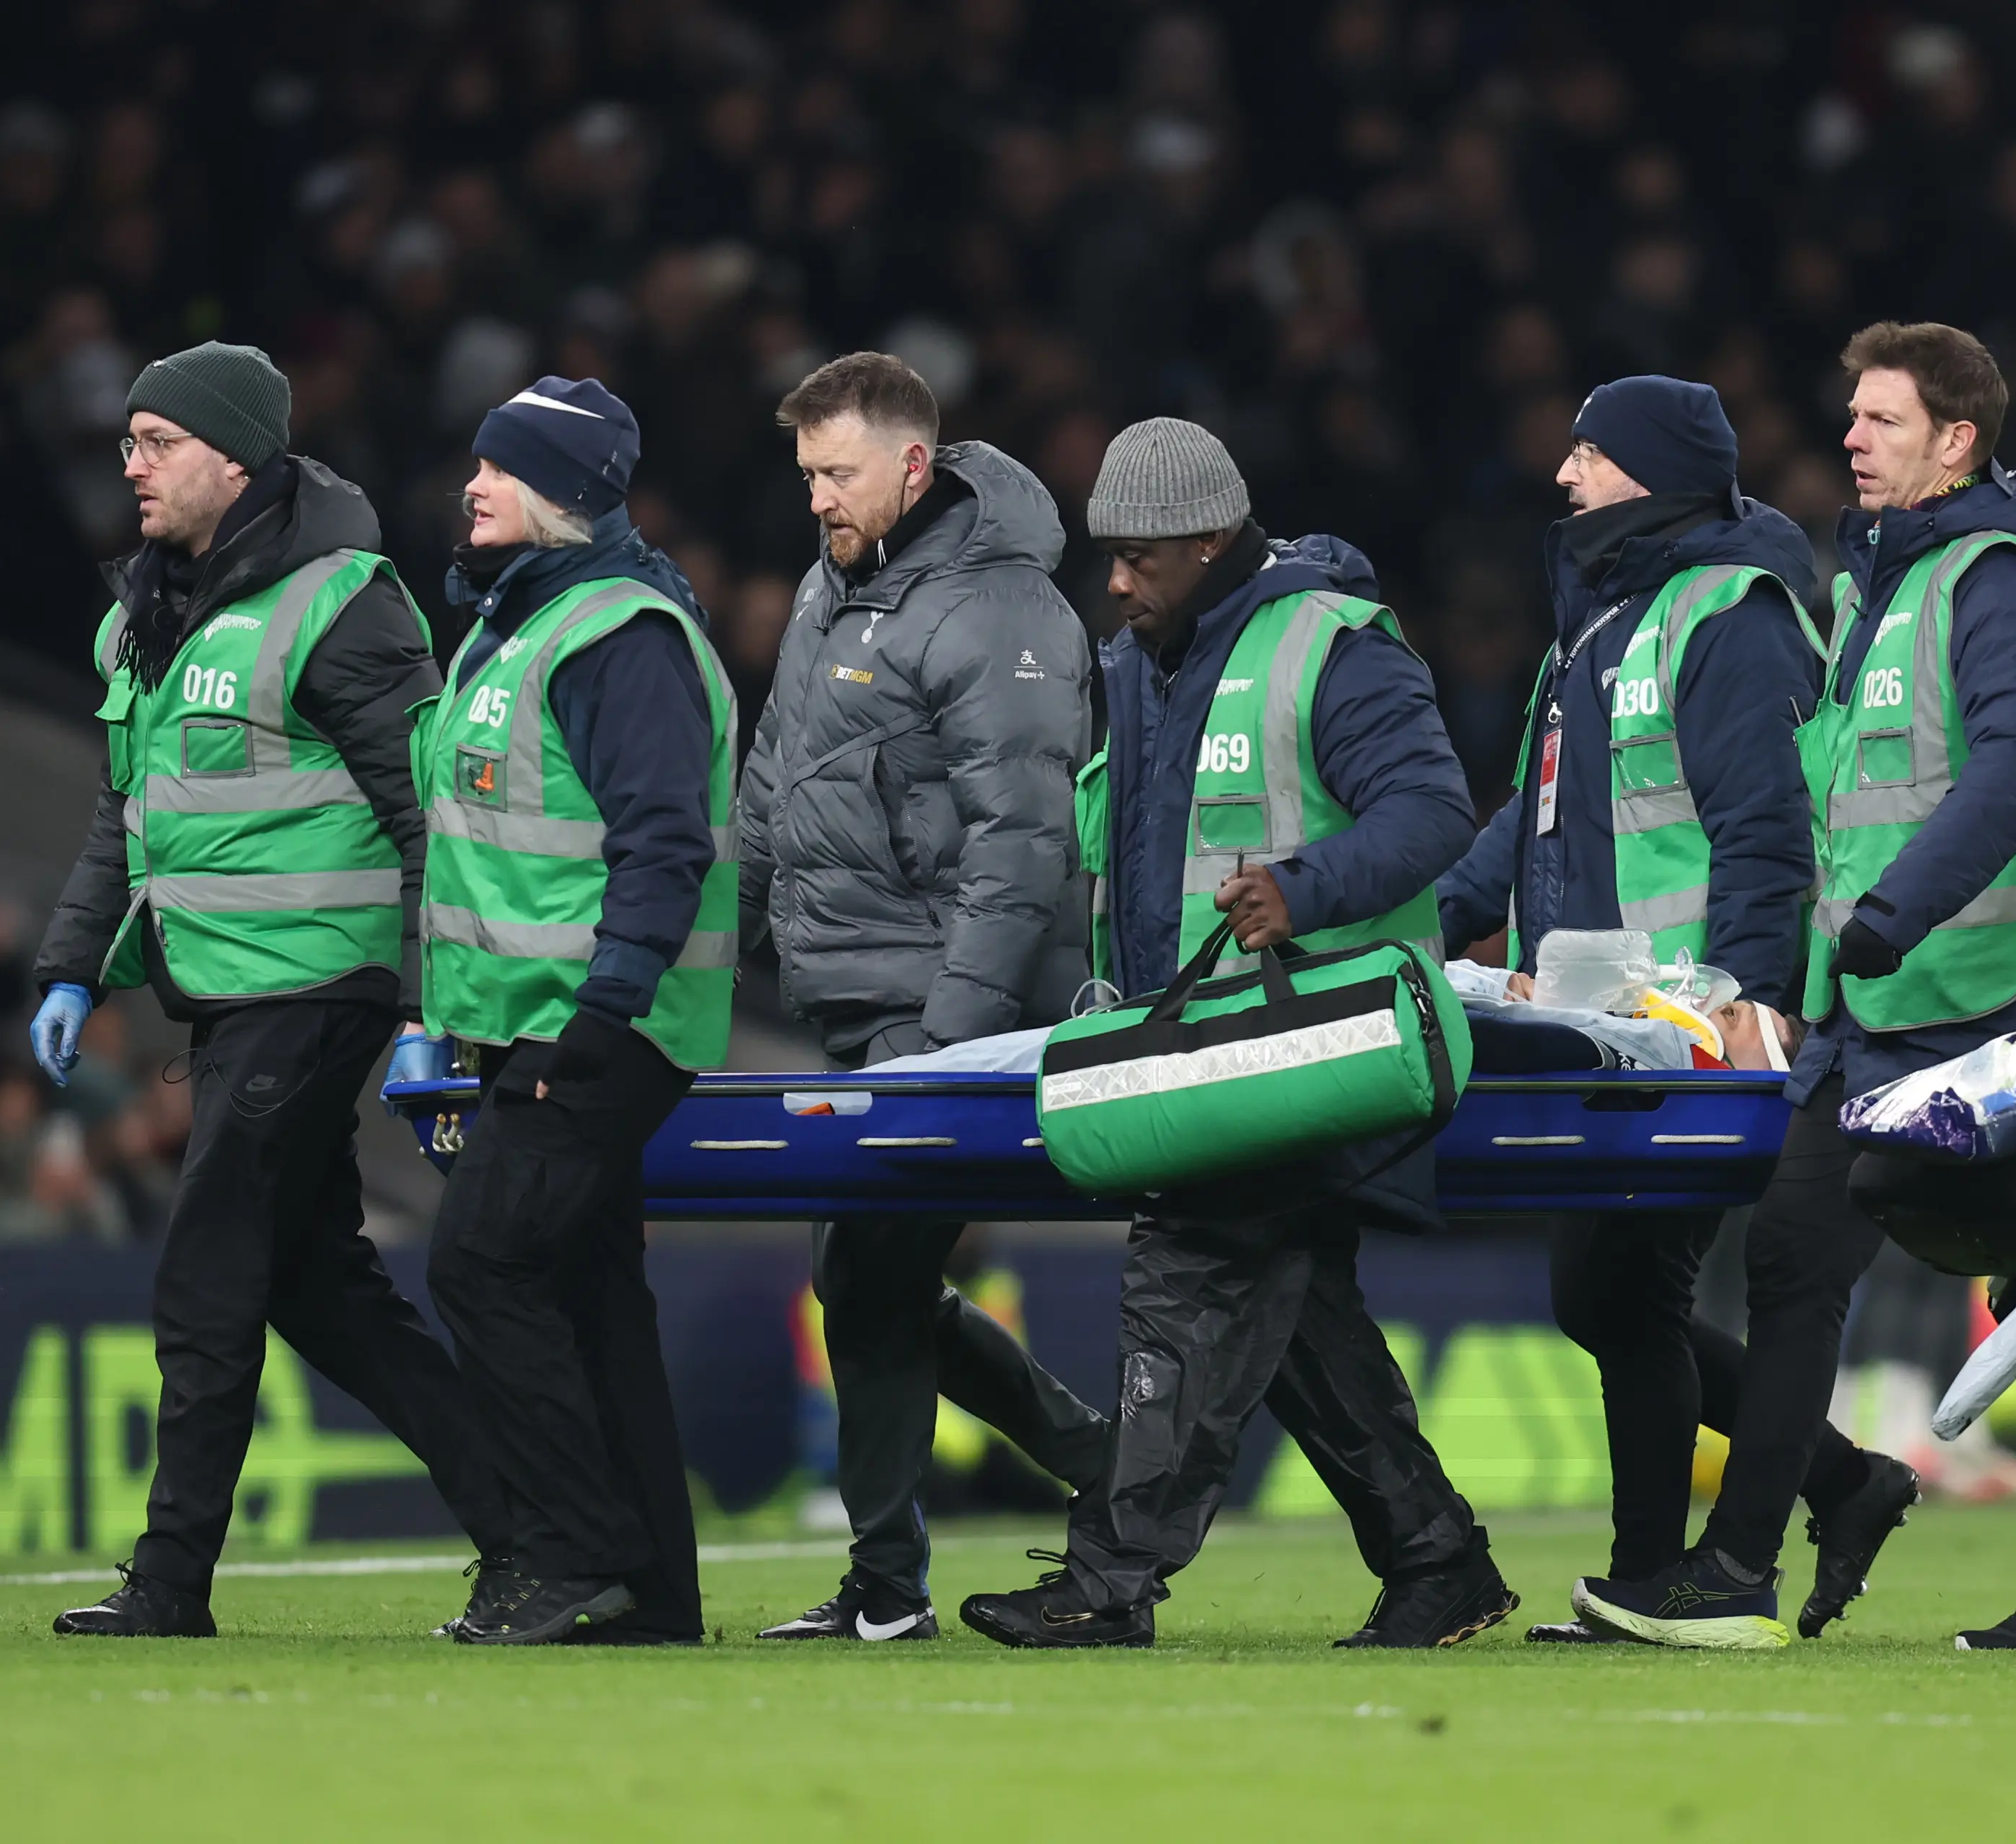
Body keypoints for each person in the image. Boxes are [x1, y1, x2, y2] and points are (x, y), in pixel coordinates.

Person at [1572, 323, 2016, 1650]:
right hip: (1878, 1007)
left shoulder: (1998, 577)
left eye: (1883, 419)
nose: (1851, 438)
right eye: (1854, 415)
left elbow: (2011, 766)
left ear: (1958, 439)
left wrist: (1891, 916)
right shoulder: (1878, 586)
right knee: (1792, 1258)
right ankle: (1741, 1570)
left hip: (2008, 997)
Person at [960, 418, 1510, 1650]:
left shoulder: (1333, 645)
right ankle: (1439, 1561)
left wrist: (1302, 891)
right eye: (1109, 556)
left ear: (1211, 543)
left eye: (1139, 559)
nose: (1115, 582)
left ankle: (1110, 1580)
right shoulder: (1135, 664)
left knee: (1188, 1272)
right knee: (1297, 1319)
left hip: (1302, 1045)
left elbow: (1433, 811)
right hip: (1192, 1052)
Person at [36, 341, 513, 1639]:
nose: (132, 466)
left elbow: (430, 816)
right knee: (320, 1291)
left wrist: (432, 995)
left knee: (207, 1268)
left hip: (317, 989)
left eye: (159, 443)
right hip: (227, 995)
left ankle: (169, 1582)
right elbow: (124, 812)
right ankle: (539, 1526)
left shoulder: (341, 602)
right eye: (128, 442)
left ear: (236, 459)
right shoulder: (146, 611)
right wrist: (71, 967)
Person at [1434, 375, 1920, 1643]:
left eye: (1588, 454)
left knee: (1619, 1294)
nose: (1564, 475)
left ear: (1649, 473)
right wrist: (1431, 919)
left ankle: (1665, 1561)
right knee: (1607, 1299)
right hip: (1601, 1023)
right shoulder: (1602, 623)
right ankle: (1823, 1492)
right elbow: (1535, 818)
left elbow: (1768, 829)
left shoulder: (1730, 616)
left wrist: (1746, 1001)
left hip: (1683, 1027)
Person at [739, 353, 1111, 1643]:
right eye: (806, 476)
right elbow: (771, 786)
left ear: (912, 464)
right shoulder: (830, 588)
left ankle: (893, 1585)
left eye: (837, 474)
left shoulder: (1000, 608)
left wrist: (951, 1041)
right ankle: (1098, 1465)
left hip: (938, 1004)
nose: (816, 499)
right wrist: (705, 956)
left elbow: (1024, 846)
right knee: (868, 1281)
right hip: (856, 993)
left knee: (868, 1271)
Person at [412, 377, 736, 1645]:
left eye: (500, 468)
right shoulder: (522, 622)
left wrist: (604, 1010)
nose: (474, 484)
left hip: (592, 1026)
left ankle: (570, 1553)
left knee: (480, 1263)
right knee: (593, 1296)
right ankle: (653, 1590)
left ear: (560, 492)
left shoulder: (617, 635)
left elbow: (664, 840)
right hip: (538, 1018)